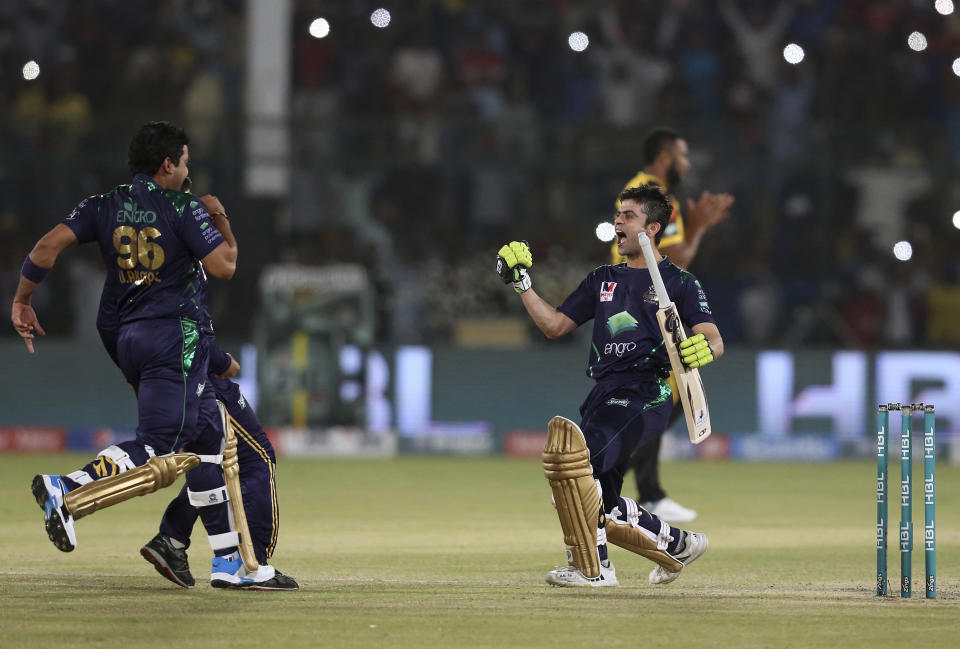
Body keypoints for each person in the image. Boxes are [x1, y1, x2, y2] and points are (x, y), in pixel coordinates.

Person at [11, 121, 286, 589]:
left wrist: (22, 300)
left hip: (128, 339)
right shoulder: (184, 207)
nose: (187, 171)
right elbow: (225, 266)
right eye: (185, 162)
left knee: (207, 441)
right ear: (167, 164)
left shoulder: (102, 205)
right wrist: (218, 217)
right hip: (172, 339)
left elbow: (46, 247)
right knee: (160, 445)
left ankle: (226, 563)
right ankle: (68, 488)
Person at [497, 184, 723, 586]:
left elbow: (713, 336)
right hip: (602, 393)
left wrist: (703, 349)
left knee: (574, 474)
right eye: (619, 213)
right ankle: (678, 543)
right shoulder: (602, 278)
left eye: (629, 215)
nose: (619, 220)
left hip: (645, 393)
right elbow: (554, 326)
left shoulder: (679, 282)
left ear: (652, 228)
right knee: (602, 500)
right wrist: (521, 282)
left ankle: (595, 568)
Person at [613, 126, 733, 523]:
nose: (687, 163)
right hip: (645, 310)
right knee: (664, 400)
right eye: (682, 156)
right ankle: (620, 488)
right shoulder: (654, 197)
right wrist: (698, 226)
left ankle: (615, 485)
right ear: (665, 156)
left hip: (638, 306)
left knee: (665, 401)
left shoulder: (642, 191)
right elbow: (675, 262)